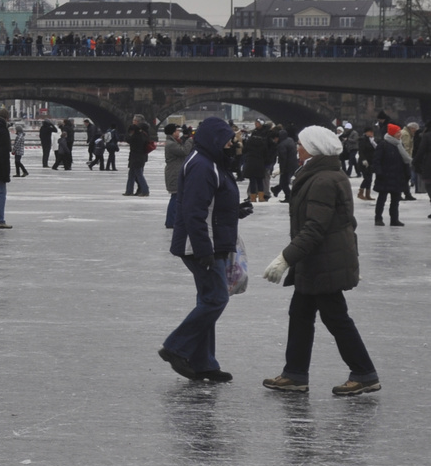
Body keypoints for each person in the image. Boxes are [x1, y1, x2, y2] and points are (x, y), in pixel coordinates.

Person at [259, 125, 380, 396]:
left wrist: (284, 258)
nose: (298, 149)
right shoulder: (319, 175)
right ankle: (294, 374)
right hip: (316, 261)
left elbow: (315, 227)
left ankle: (364, 373)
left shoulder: (323, 179)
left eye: (302, 145)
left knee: (336, 317)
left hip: (323, 261)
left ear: (314, 149)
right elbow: (346, 219)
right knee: (300, 315)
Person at [159, 117, 242, 384]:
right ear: (215, 139)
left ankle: (203, 362)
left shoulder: (211, 162)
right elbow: (195, 212)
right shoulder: (202, 166)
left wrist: (236, 211)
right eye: (228, 139)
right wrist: (204, 250)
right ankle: (176, 347)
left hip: (208, 242)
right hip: (200, 245)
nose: (232, 144)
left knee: (207, 299)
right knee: (216, 299)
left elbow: (212, 203)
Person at [373, 124, 409, 226]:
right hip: (385, 176)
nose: (400, 134)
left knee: (395, 200)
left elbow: (404, 161)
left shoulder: (400, 145)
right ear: (392, 133)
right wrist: (379, 172)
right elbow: (376, 160)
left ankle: (394, 219)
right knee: (382, 199)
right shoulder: (383, 144)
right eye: (398, 132)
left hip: (397, 176)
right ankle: (378, 218)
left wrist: (407, 173)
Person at [162, 124, 191, 228]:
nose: (179, 132)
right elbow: (184, 151)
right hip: (174, 173)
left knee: (177, 196)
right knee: (175, 196)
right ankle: (171, 221)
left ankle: (172, 220)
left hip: (175, 171)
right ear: (173, 132)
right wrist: (190, 141)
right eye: (177, 131)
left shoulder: (173, 142)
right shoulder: (171, 144)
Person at [124, 115, 153, 196]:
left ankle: (145, 190)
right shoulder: (145, 131)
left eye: (134, 120)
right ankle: (129, 190)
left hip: (136, 156)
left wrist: (130, 133)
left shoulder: (138, 132)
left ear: (137, 121)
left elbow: (130, 140)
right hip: (140, 155)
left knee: (138, 174)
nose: (133, 122)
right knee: (132, 174)